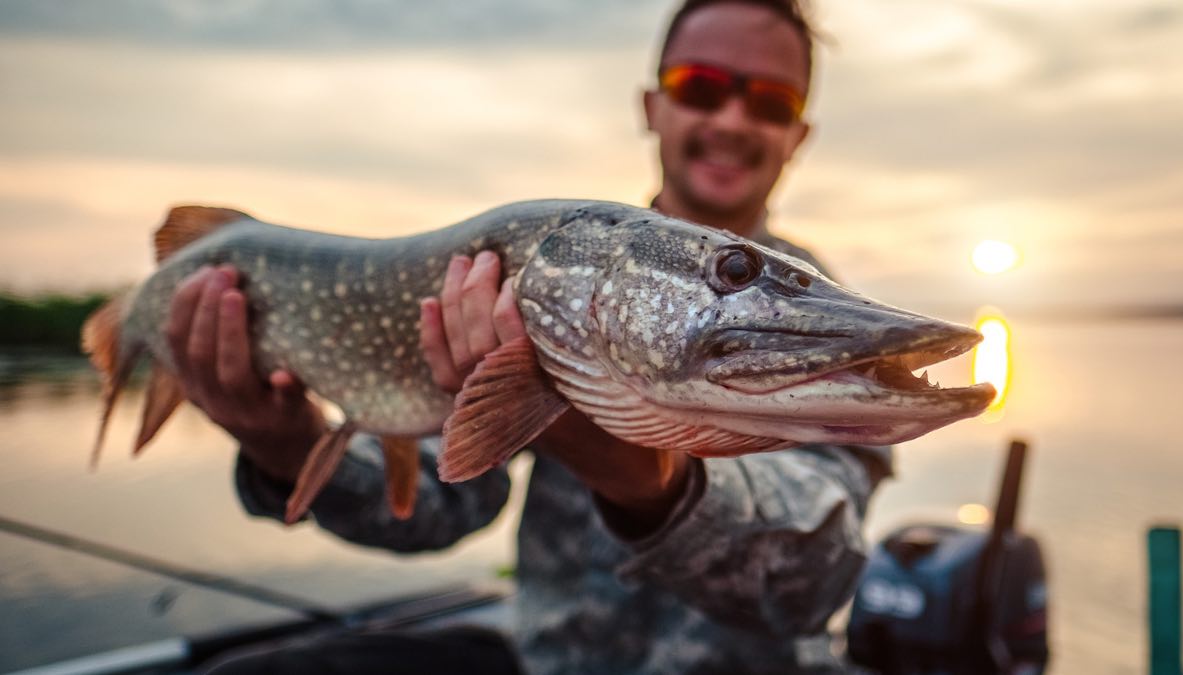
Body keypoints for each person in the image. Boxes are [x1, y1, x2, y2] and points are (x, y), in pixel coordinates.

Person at [175, 0, 892, 672]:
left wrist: (645, 480)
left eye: (771, 102)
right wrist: (289, 445)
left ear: (799, 134)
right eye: (700, 86)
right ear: (654, 106)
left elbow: (812, 580)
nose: (733, 119)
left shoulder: (823, 326)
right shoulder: (550, 273)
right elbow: (434, 504)